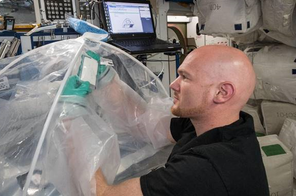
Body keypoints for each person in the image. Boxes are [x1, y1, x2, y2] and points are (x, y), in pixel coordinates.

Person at [95, 45, 269, 196]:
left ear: (222, 93)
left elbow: (102, 194)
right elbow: (144, 123)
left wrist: (72, 118)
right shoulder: (226, 125)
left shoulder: (206, 168)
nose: (173, 84)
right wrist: (105, 79)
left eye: (185, 77)